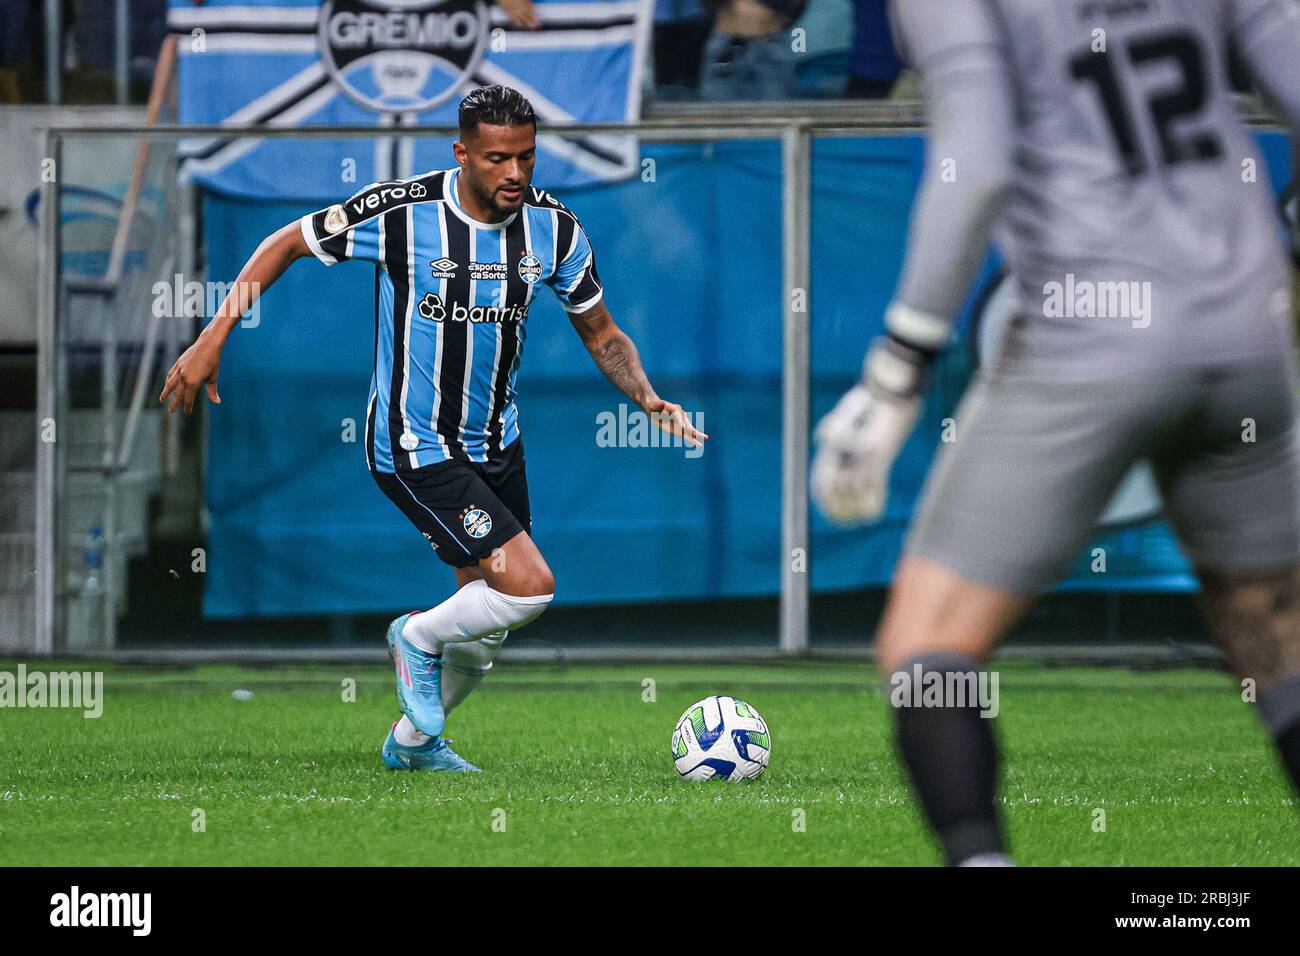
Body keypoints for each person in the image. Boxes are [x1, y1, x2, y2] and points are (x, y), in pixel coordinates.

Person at [812, 0, 1300, 865]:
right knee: (1273, 631)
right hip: (1250, 326)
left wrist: (899, 365)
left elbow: (980, 159)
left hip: (1093, 335)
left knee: (927, 644)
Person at [160, 86, 707, 772]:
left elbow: (601, 334)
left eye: (527, 157)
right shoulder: (402, 212)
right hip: (413, 443)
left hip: (497, 445)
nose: (515, 173)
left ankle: (414, 745)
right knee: (529, 588)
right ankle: (413, 637)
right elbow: (284, 243)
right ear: (463, 153)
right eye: (497, 158)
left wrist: (648, 396)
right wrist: (214, 336)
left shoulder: (555, 229)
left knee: (484, 624)